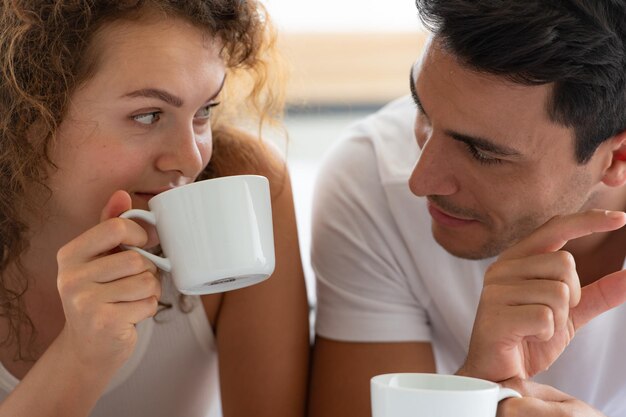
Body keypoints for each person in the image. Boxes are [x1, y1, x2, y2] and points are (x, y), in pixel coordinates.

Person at [308, 1, 626, 416]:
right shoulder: (371, 182)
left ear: (616, 158)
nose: (420, 181)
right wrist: (470, 397)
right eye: (422, 110)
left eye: (481, 153)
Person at [0, 1, 310, 417]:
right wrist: (81, 358)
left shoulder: (238, 198)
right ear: (30, 110)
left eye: (204, 111)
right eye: (148, 115)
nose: (190, 159)